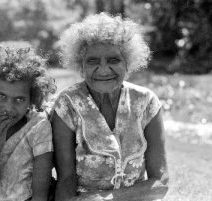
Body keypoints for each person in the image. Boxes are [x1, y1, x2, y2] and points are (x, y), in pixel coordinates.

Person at [51, 13, 169, 201]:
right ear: (80, 64)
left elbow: (160, 182)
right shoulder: (67, 105)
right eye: (93, 61)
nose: (104, 69)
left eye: (113, 60)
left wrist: (107, 198)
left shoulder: (147, 102)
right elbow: (66, 178)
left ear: (128, 62)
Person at [0, 45, 56, 201]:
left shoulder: (38, 128)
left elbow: (40, 196)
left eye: (20, 99)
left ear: (32, 99)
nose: (9, 108)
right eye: (1, 96)